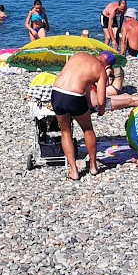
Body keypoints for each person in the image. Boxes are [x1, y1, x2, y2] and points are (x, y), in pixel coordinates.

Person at [50, 49, 109, 180]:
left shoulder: (79, 55)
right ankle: (93, 167)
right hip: (74, 96)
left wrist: (87, 98)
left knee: (65, 131)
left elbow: (81, 80)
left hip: (56, 92)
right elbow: (101, 100)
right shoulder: (100, 70)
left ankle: (74, 171)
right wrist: (101, 110)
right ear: (108, 65)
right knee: (87, 129)